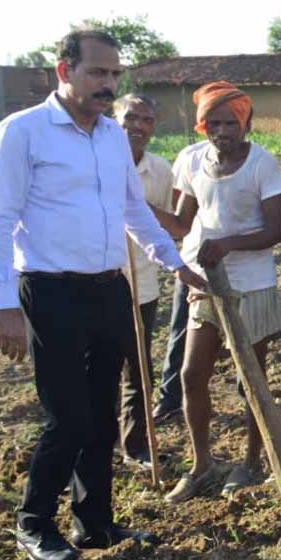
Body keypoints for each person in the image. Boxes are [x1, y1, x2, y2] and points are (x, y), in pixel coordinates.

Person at [0, 30, 206, 560]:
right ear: (65, 71)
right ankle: (33, 523)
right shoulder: (23, 132)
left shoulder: (108, 137)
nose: (108, 85)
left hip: (110, 290)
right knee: (68, 418)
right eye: (97, 73)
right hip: (51, 291)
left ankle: (95, 524)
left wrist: (175, 264)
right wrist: (2, 303)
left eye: (113, 74)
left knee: (102, 414)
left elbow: (134, 209)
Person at [159, 82, 281, 503]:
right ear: (202, 125)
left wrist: (229, 243)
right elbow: (181, 225)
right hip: (206, 283)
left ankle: (249, 462)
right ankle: (201, 464)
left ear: (245, 121)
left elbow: (275, 230)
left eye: (230, 122)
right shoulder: (192, 160)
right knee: (192, 374)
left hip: (252, 284)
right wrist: (135, 206)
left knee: (249, 378)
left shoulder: (261, 165)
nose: (221, 130)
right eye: (213, 122)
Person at [114, 94, 174, 471]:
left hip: (143, 286)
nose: (138, 126)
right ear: (114, 118)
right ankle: (94, 447)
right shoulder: (98, 162)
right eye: (130, 117)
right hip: (98, 282)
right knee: (97, 370)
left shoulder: (160, 171)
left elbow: (162, 223)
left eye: (146, 120)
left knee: (138, 369)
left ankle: (135, 445)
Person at [151, 135, 211, 424]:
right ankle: (170, 398)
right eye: (213, 119)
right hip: (192, 261)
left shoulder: (254, 159)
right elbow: (179, 218)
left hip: (240, 264)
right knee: (182, 330)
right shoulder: (191, 157)